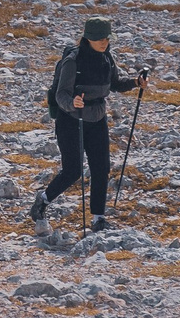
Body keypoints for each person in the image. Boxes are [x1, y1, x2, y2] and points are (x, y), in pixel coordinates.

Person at [30, 17, 146, 231]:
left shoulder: (107, 59)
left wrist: (135, 83)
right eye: (99, 38)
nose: (104, 42)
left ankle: (98, 219)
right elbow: (61, 94)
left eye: (107, 38)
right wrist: (73, 103)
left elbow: (115, 84)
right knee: (73, 171)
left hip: (97, 118)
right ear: (88, 38)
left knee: (101, 168)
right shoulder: (73, 61)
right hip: (71, 120)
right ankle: (42, 202)